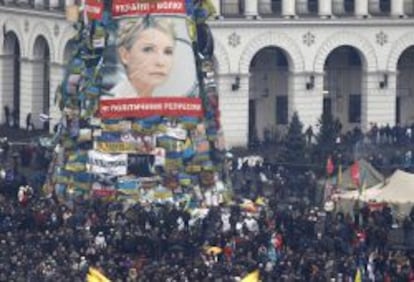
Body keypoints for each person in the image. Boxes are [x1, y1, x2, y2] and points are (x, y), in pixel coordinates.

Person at [109, 16, 176, 98]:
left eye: (168, 52)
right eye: (148, 49)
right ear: (125, 55)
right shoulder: (113, 104)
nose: (160, 62)